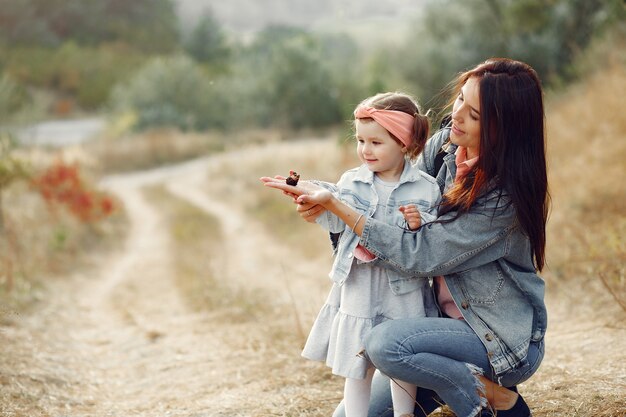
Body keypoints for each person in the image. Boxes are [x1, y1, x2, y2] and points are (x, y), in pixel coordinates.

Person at [261, 58, 548, 417]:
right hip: (434, 328)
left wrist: (339, 207)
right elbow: (388, 203)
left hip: (491, 336)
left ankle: (492, 396)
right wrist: (323, 203)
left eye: (473, 114)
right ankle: (447, 376)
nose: (456, 115)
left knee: (383, 343)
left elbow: (420, 254)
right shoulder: (444, 147)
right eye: (460, 99)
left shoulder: (504, 197)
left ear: (503, 128)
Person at [287, 92, 441, 417]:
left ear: (403, 143)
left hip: (403, 290)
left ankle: (404, 414)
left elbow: (434, 238)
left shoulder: (426, 187)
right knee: (358, 364)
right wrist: (314, 207)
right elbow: (335, 219)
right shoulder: (351, 181)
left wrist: (421, 221)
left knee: (401, 362)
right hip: (359, 286)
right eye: (360, 140)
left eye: (375, 142)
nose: (365, 150)